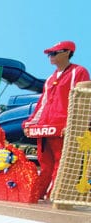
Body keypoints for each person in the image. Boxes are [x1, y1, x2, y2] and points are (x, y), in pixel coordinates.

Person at [22, 40, 89, 200]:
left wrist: (72, 125)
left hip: (63, 127)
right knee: (45, 164)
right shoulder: (50, 79)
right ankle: (38, 195)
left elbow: (82, 101)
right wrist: (30, 123)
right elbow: (42, 103)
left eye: (54, 53)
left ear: (67, 53)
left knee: (62, 163)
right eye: (49, 54)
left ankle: (54, 196)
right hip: (45, 127)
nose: (50, 56)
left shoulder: (78, 72)